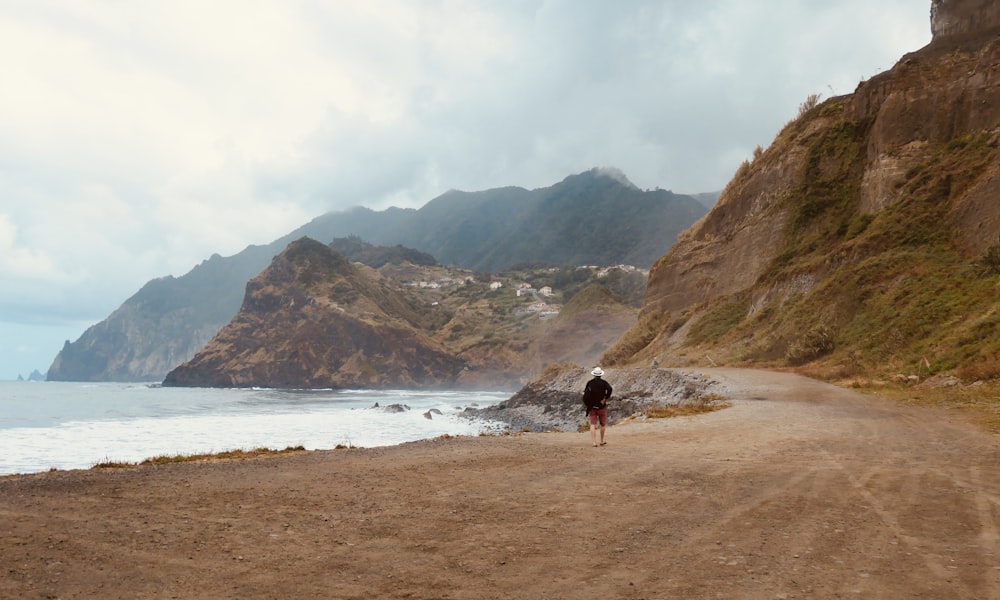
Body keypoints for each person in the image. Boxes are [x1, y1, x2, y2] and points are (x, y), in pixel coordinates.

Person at [582, 367, 613, 447]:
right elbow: (610, 389)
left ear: (594, 375)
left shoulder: (590, 383)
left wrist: (588, 404)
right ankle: (602, 441)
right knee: (602, 424)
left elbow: (585, 396)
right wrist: (605, 398)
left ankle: (594, 442)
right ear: (600, 375)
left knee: (592, 424)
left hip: (592, 407)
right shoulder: (604, 383)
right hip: (602, 406)